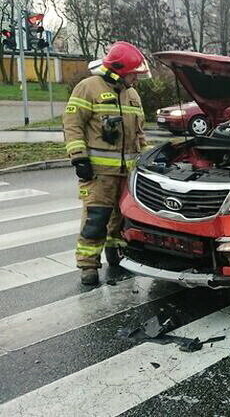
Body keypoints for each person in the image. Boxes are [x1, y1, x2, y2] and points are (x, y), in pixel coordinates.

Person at [62, 41, 150, 285]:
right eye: (134, 73)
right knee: (96, 218)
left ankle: (115, 253)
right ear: (119, 71)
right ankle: (88, 265)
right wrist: (79, 158)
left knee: (120, 218)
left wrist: (149, 159)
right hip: (98, 173)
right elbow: (72, 125)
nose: (136, 78)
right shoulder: (88, 88)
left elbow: (139, 134)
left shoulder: (132, 95)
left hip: (127, 173)